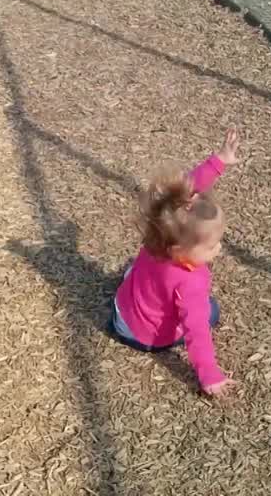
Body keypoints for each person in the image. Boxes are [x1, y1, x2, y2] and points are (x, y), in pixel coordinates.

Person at [109, 130, 242, 397]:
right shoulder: (190, 280)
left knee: (143, 274)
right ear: (181, 250)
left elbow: (182, 194)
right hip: (142, 335)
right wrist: (209, 373)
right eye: (211, 246)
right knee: (209, 311)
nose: (218, 248)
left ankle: (133, 282)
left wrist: (219, 161)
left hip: (123, 309)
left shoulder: (162, 230)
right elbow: (196, 330)